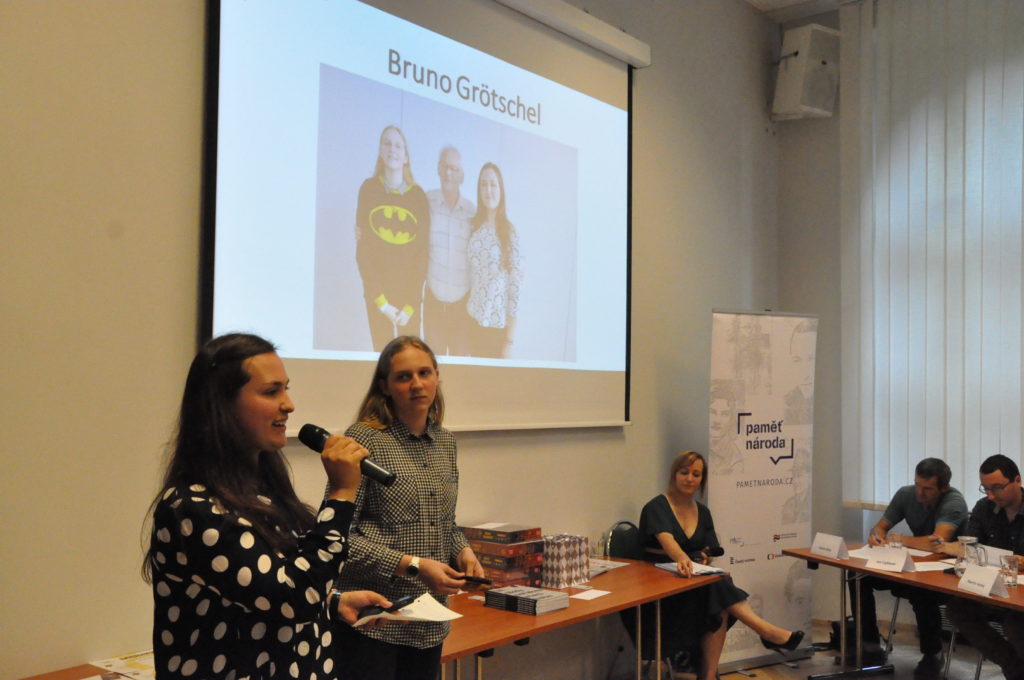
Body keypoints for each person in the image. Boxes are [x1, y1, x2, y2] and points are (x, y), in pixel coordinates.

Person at [144, 333, 391, 680]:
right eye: (271, 392)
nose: (288, 405)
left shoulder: (262, 492)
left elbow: (265, 586)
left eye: (285, 389)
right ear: (223, 404)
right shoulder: (193, 508)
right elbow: (291, 599)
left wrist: (334, 601)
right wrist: (340, 493)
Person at [330, 335, 485, 680]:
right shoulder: (362, 440)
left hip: (429, 622)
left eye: (424, 373)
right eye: (403, 377)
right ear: (384, 386)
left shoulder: (445, 442)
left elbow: (445, 523)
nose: (417, 384)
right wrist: (413, 566)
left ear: (437, 377)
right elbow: (338, 537)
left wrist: (463, 553)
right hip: (374, 623)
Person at [639, 451, 803, 680]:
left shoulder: (703, 512)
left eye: (696, 474)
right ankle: (765, 632)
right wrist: (683, 558)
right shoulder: (656, 507)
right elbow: (668, 541)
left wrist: (704, 558)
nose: (689, 479)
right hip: (659, 590)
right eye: (684, 472)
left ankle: (709, 674)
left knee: (718, 596)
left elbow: (712, 548)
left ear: (702, 480)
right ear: (674, 475)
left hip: (691, 584)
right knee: (718, 591)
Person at [850, 457, 967, 677]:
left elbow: (937, 544)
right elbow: (879, 528)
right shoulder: (906, 494)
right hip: (913, 566)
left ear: (943, 488)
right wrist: (876, 537)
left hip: (947, 574)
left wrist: (899, 540)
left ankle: (933, 653)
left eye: (927, 489)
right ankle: (869, 644)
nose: (919, 493)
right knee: (858, 575)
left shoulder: (954, 502)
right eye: (917, 485)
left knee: (921, 589)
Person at [941, 454, 1024, 680]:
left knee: (1016, 624)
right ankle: (1013, 666)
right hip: (993, 588)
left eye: (997, 488)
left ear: (1017, 480)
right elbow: (971, 548)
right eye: (985, 488)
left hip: (1020, 597)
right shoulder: (984, 508)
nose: (991, 495)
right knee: (957, 609)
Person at [355, 125, 430, 350]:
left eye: (398, 145)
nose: (392, 149)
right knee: (383, 361)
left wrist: (410, 305)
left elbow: (422, 255)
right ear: (380, 151)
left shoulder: (418, 197)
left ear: (406, 156)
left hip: (408, 299)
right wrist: (381, 303)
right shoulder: (368, 190)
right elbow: (363, 252)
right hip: (378, 298)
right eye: (387, 143)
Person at [424, 146, 475, 356]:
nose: (448, 173)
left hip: (462, 310)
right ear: (438, 168)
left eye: (454, 169)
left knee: (461, 370)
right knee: (431, 368)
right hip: (433, 305)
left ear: (462, 176)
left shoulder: (473, 212)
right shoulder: (425, 202)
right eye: (444, 166)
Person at [466, 162, 521, 358]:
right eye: (484, 185)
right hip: (472, 322)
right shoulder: (474, 228)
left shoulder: (509, 233)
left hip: (497, 329)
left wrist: (509, 342)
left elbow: (515, 293)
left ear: (501, 190)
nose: (488, 190)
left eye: (493, 184)